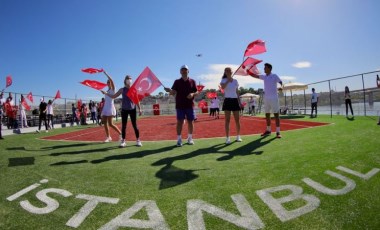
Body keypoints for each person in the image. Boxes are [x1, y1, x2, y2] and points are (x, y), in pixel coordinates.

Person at [164, 65, 198, 146]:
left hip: (190, 105)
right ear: (180, 72)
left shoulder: (192, 81)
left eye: (185, 70)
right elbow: (173, 92)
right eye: (182, 70)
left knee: (190, 122)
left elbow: (197, 92)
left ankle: (190, 138)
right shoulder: (177, 82)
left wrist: (192, 94)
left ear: (188, 71)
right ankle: (179, 139)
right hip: (180, 106)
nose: (184, 71)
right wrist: (169, 90)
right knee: (179, 122)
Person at [105, 75, 142, 147]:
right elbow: (114, 96)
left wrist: (140, 108)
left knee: (135, 125)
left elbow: (137, 100)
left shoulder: (134, 89)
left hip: (132, 109)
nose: (129, 80)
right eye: (128, 79)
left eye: (130, 79)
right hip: (124, 110)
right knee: (124, 126)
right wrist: (106, 93)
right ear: (125, 80)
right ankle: (123, 141)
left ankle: (138, 140)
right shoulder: (122, 89)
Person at [249, 63, 283, 138]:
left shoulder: (274, 76)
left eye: (265, 68)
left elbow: (281, 82)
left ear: (269, 69)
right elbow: (255, 76)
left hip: (274, 98)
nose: (264, 69)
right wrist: (248, 72)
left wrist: (281, 87)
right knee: (267, 114)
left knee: (276, 114)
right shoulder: (264, 77)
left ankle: (278, 132)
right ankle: (268, 130)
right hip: (266, 98)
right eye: (264, 68)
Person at [220, 67, 243, 144]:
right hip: (227, 100)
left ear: (232, 72)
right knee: (227, 120)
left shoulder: (235, 81)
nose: (228, 71)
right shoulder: (223, 80)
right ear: (225, 72)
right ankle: (227, 138)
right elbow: (222, 88)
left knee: (237, 120)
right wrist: (227, 81)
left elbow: (237, 92)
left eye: (229, 70)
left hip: (235, 100)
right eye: (226, 70)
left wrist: (240, 102)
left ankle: (238, 136)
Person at [100, 71, 121, 143]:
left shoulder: (113, 89)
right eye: (107, 82)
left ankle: (121, 134)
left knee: (111, 124)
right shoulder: (107, 90)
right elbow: (106, 100)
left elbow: (111, 80)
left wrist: (106, 74)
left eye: (109, 82)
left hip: (110, 108)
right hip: (106, 107)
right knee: (104, 123)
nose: (108, 83)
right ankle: (108, 137)